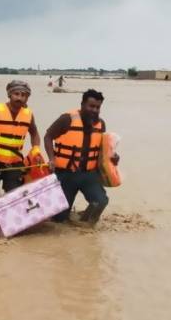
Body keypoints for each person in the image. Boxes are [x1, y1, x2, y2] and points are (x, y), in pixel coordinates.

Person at [44, 89, 119, 225]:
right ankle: (65, 215)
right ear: (82, 104)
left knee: (100, 201)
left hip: (89, 175)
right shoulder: (66, 119)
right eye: (91, 106)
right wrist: (51, 158)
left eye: (98, 107)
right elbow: (48, 136)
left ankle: (84, 223)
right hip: (66, 174)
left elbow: (103, 151)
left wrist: (113, 158)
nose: (94, 110)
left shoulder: (101, 124)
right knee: (59, 219)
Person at [0, 80, 40, 200]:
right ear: (9, 94)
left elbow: (35, 134)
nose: (19, 98)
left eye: (23, 95)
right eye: (16, 94)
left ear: (27, 98)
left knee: (15, 196)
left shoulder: (28, 114)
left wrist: (36, 150)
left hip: (14, 163)